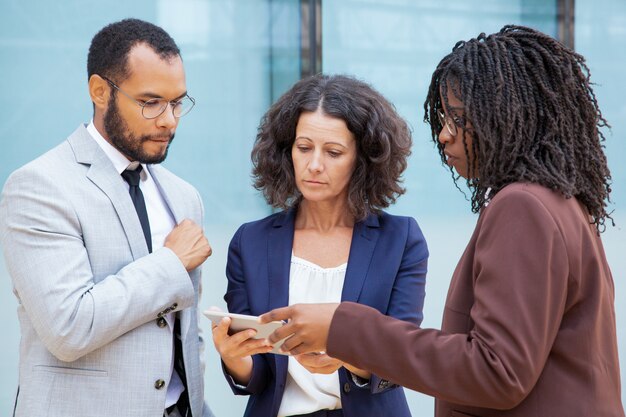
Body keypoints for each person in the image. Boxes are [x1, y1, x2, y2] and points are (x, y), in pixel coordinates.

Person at [260, 25, 625, 417]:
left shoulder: (523, 206)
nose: (444, 135)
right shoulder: (557, 201)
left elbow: (496, 372)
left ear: (507, 117)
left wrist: (342, 328)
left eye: (459, 119)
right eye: (443, 118)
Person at [0, 19, 215, 417]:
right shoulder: (38, 186)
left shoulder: (184, 196)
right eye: (151, 102)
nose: (169, 120)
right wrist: (170, 264)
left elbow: (185, 334)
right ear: (100, 91)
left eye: (178, 102)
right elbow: (69, 326)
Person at [210, 74, 428, 417]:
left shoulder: (400, 240)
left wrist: (347, 357)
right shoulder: (250, 242)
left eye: (333, 152)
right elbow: (260, 376)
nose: (314, 165)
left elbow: (401, 357)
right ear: (287, 150)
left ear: (362, 159)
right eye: (304, 147)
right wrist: (233, 356)